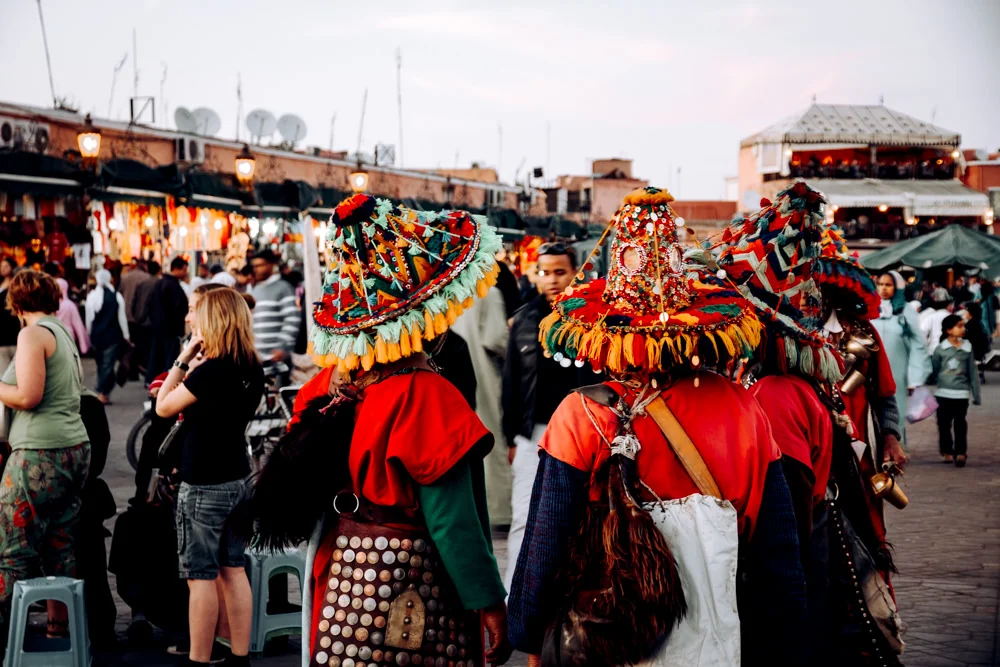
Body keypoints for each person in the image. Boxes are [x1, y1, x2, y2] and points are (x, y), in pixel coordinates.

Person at [508, 187, 805, 665]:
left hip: (603, 636)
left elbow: (547, 547)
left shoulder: (580, 415)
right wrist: (785, 642)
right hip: (713, 637)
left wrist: (528, 632)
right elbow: (778, 554)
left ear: (608, 332)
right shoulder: (744, 410)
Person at [232, 194, 511, 667]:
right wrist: (487, 599)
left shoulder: (326, 387)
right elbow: (452, 520)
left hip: (339, 578)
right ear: (426, 318)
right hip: (412, 587)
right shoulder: (426, 396)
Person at [721, 186, 905, 664]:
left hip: (847, 466)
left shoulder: (855, 338)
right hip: (817, 466)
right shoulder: (773, 369)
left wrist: (890, 437)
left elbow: (884, 397)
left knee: (856, 556)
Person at [155, 288, 264, 667]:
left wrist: (182, 360)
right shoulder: (252, 367)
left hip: (203, 482)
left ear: (212, 320)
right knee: (234, 569)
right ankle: (239, 656)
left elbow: (163, 406)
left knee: (199, 576)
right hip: (238, 476)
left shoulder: (210, 372)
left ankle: (199, 659)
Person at [0, 270, 91, 649]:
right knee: (60, 545)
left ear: (16, 303)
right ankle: (60, 631)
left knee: (12, 549)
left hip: (39, 453)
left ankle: (8, 640)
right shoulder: (62, 332)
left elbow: (28, 396)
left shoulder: (31, 333)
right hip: (75, 449)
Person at [501, 240, 590, 590]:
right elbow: (510, 384)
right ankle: (516, 597)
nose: (551, 280)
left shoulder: (589, 320)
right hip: (533, 433)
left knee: (577, 516)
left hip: (580, 433)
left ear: (575, 273)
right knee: (524, 515)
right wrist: (511, 437)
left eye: (559, 272)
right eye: (544, 272)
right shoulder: (524, 320)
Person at [452, 285, 512, 527]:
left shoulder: (435, 290)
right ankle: (497, 511)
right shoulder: (487, 291)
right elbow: (496, 339)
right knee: (489, 440)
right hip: (481, 374)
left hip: (444, 379)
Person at [873, 270, 930, 445]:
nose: (883, 289)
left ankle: (897, 446)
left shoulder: (906, 311)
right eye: (881, 284)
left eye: (888, 285)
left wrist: (915, 377)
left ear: (897, 287)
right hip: (872, 368)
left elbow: (919, 344)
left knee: (895, 407)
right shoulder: (871, 308)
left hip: (897, 370)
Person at [930, 314, 981, 467]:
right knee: (944, 424)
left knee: (960, 424)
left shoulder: (967, 347)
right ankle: (947, 452)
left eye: (963, 325)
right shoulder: (940, 349)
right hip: (943, 394)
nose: (963, 329)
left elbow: (972, 372)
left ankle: (960, 453)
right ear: (948, 330)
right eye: (959, 326)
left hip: (961, 394)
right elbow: (934, 369)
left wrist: (976, 394)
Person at [85, 269, 130, 404]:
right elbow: (122, 318)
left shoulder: (92, 296)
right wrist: (126, 335)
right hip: (113, 336)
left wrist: (89, 334)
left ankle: (103, 391)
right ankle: (102, 391)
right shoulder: (116, 296)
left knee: (102, 365)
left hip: (97, 336)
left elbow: (89, 319)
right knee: (107, 365)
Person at [248, 250, 299, 366]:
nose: (256, 269)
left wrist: (282, 346)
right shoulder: (255, 290)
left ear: (271, 265)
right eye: (254, 266)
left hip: (278, 357)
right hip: (259, 357)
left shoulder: (283, 288)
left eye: (259, 265)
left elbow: (292, 319)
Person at [147, 257, 189, 384]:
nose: (186, 273)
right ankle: (165, 380)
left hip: (158, 327)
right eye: (184, 270)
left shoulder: (160, 283)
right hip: (170, 329)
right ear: (176, 269)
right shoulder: (172, 285)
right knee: (169, 357)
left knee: (157, 355)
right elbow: (179, 308)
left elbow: (149, 304)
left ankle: (153, 380)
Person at [56, 277, 90, 356]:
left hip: (54, 336)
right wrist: (83, 345)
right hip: (69, 337)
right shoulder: (70, 305)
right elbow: (78, 325)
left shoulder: (49, 305)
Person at [0, 257, 21, 375]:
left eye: (5, 266)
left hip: (13, 332)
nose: (2, 269)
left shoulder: (16, 285)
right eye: (1, 266)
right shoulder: (1, 283)